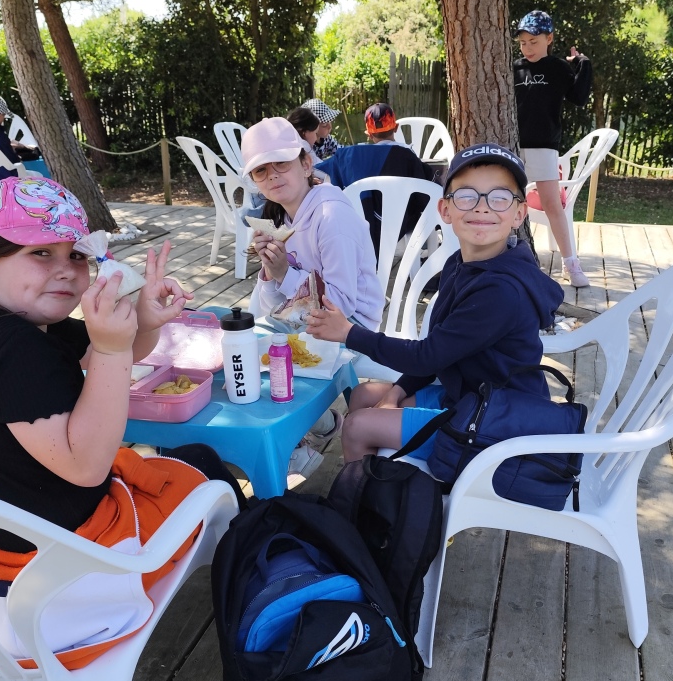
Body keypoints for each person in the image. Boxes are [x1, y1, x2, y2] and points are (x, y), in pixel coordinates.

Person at [0, 174, 213, 668]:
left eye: (76, 254)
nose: (66, 270)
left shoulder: (0, 320)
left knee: (190, 461)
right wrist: (111, 348)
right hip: (44, 563)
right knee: (202, 478)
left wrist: (139, 322)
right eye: (41, 253)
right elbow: (86, 467)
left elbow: (114, 355)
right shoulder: (13, 351)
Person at [306, 143, 564, 463]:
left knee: (357, 427)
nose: (482, 208)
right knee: (362, 395)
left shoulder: (501, 291)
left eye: (499, 197)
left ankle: (371, 490)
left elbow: (426, 355)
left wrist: (349, 333)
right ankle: (379, 483)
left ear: (519, 214)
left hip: (497, 425)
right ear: (445, 210)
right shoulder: (460, 264)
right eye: (467, 196)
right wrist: (398, 391)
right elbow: (440, 351)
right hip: (466, 397)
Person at [242, 117, 383, 476]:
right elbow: (272, 305)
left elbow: (340, 306)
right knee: (240, 346)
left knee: (264, 357)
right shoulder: (287, 218)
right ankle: (321, 426)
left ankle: (292, 447)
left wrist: (285, 274)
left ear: (306, 164)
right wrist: (271, 271)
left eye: (282, 164)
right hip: (308, 318)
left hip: (352, 325)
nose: (272, 176)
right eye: (261, 171)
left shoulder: (331, 216)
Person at [513, 9, 593, 288]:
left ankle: (572, 265)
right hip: (513, 147)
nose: (528, 48)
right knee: (509, 201)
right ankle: (510, 259)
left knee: (552, 205)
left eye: (534, 42)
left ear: (549, 39)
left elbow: (579, 98)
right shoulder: (514, 68)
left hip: (545, 146)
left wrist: (583, 63)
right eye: (523, 42)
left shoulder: (559, 68)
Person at [314, 102, 440, 251]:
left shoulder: (350, 156)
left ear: (369, 134)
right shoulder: (408, 156)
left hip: (360, 228)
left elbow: (318, 171)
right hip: (399, 227)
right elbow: (426, 197)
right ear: (396, 128)